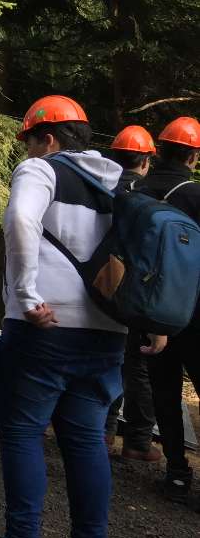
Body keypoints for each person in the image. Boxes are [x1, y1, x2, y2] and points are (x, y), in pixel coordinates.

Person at [0, 95, 131, 538]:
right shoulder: (120, 181)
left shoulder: (41, 171)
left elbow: (19, 220)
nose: (29, 150)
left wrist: (28, 292)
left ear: (48, 138)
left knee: (22, 433)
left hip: (45, 328)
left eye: (31, 141)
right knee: (86, 441)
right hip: (107, 334)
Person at [137, 116, 200, 503]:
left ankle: (176, 473)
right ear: (193, 156)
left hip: (148, 312)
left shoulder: (136, 191)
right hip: (193, 313)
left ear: (159, 151)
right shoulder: (195, 196)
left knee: (164, 392)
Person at [101, 125, 161, 462]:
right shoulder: (148, 198)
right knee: (133, 366)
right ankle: (135, 439)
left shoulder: (100, 187)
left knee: (104, 360)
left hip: (98, 287)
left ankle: (104, 433)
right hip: (133, 293)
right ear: (147, 159)